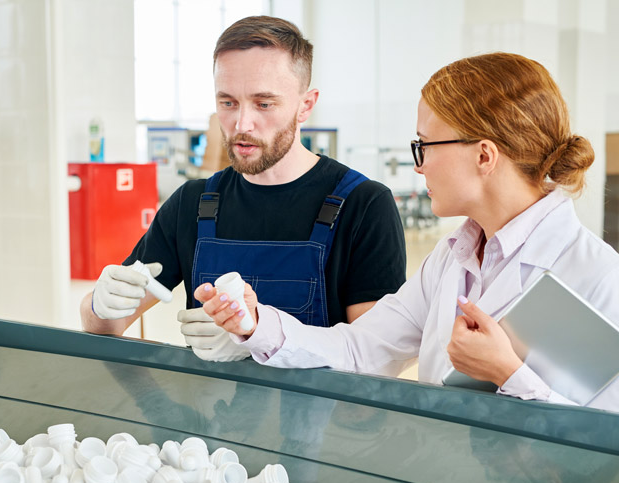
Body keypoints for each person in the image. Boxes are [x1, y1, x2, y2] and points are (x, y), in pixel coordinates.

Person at [196, 51, 619, 412]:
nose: (418, 166)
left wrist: (509, 374)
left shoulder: (599, 277)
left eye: (424, 145)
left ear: (484, 155)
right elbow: (362, 350)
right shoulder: (452, 258)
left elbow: (604, 451)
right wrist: (255, 325)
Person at [80, 16, 406, 361]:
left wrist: (254, 338)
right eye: (228, 102)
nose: (241, 124)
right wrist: (100, 305)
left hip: (322, 414)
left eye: (264, 104)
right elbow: (106, 328)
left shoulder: (364, 205)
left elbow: (377, 359)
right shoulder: (192, 204)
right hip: (210, 413)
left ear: (305, 105)